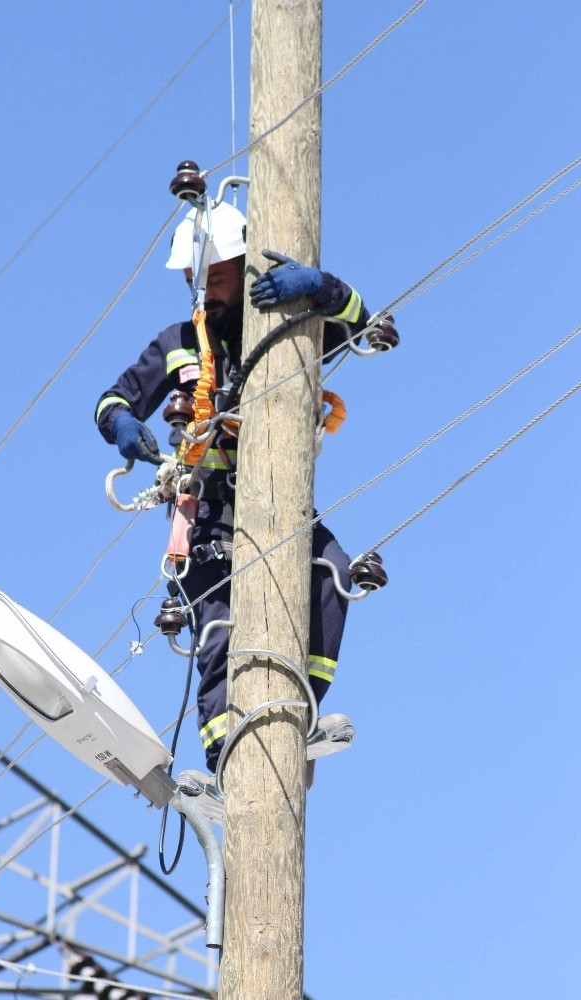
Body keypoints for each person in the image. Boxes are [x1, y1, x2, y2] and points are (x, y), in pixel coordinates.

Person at [95, 201, 392, 788]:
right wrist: (122, 425)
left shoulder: (286, 321)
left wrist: (321, 288)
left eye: (214, 275)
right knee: (218, 632)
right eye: (192, 279)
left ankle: (297, 716)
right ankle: (228, 766)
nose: (202, 289)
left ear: (240, 262)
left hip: (278, 495)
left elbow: (371, 327)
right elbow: (112, 399)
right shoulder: (178, 341)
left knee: (331, 575)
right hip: (206, 510)